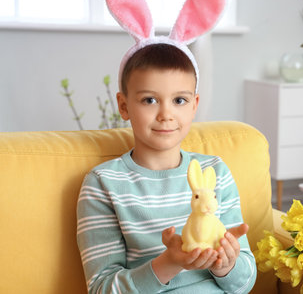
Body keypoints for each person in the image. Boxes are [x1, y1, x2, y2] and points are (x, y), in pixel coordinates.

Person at [76, 43, 257, 293]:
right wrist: (168, 263)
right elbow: (101, 288)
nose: (166, 114)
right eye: (149, 100)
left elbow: (244, 284)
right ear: (124, 106)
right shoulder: (103, 183)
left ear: (194, 105)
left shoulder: (215, 173)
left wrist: (226, 265)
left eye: (179, 100)